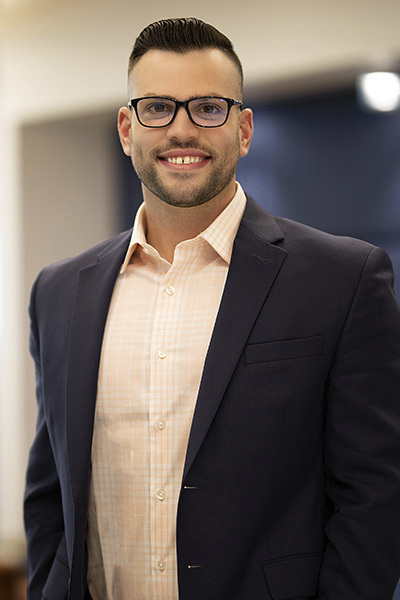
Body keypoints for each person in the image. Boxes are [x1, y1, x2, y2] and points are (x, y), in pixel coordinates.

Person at [24, 16, 400, 600]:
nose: (181, 130)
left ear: (243, 130)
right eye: (157, 108)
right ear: (126, 128)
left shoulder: (342, 279)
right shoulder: (59, 292)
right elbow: (50, 491)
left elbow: (376, 494)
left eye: (207, 108)